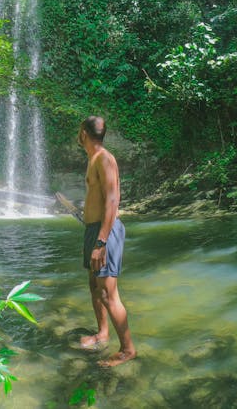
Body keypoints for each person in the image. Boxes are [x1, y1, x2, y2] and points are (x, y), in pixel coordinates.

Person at [77, 115, 136, 367]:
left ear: (83, 134)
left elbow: (113, 200)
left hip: (105, 233)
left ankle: (127, 350)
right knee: (94, 286)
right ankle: (102, 333)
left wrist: (101, 242)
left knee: (109, 293)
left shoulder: (105, 159)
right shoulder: (93, 159)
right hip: (93, 229)